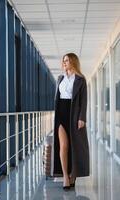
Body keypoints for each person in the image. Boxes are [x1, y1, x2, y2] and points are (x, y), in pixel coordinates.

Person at [53, 53, 89, 191]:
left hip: (74, 115)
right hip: (61, 114)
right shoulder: (60, 78)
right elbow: (58, 97)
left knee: (75, 147)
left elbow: (83, 101)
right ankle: (65, 177)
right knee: (63, 146)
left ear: (73, 61)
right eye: (63, 60)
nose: (64, 62)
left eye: (67, 60)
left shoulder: (80, 79)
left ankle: (73, 174)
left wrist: (82, 118)